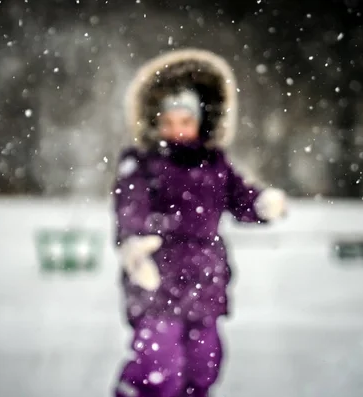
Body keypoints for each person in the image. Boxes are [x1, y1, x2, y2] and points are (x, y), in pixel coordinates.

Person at [112, 48, 287, 397]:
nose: (177, 129)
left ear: (200, 121)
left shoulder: (215, 163)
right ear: (156, 121)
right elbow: (130, 207)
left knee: (203, 365)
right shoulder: (141, 163)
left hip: (204, 280)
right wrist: (135, 245)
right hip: (155, 278)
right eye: (169, 121)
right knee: (160, 366)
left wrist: (262, 204)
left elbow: (240, 199)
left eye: (185, 121)